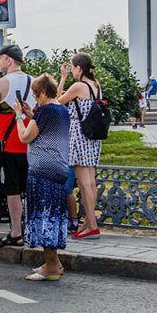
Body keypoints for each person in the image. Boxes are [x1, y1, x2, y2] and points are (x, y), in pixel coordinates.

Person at [16, 74, 71, 282]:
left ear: (40, 93)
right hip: (58, 169)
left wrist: (19, 116)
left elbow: (25, 137)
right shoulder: (61, 110)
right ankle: (54, 262)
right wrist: (31, 116)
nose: (34, 99)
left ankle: (51, 267)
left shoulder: (45, 110)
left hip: (43, 171)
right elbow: (44, 130)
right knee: (54, 215)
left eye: (34, 95)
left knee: (45, 216)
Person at [0, 45, 34, 248]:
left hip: (9, 146)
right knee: (29, 189)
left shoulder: (1, 83)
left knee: (12, 191)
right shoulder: (34, 81)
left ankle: (16, 232)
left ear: (9, 60)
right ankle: (32, 230)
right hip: (31, 145)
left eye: (0, 58)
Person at [57, 52, 102, 239]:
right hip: (92, 136)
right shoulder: (96, 85)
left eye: (73, 67)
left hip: (78, 136)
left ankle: (92, 225)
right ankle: (89, 223)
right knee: (90, 182)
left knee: (84, 183)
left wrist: (62, 79)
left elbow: (58, 102)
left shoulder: (78, 86)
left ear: (79, 68)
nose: (72, 70)